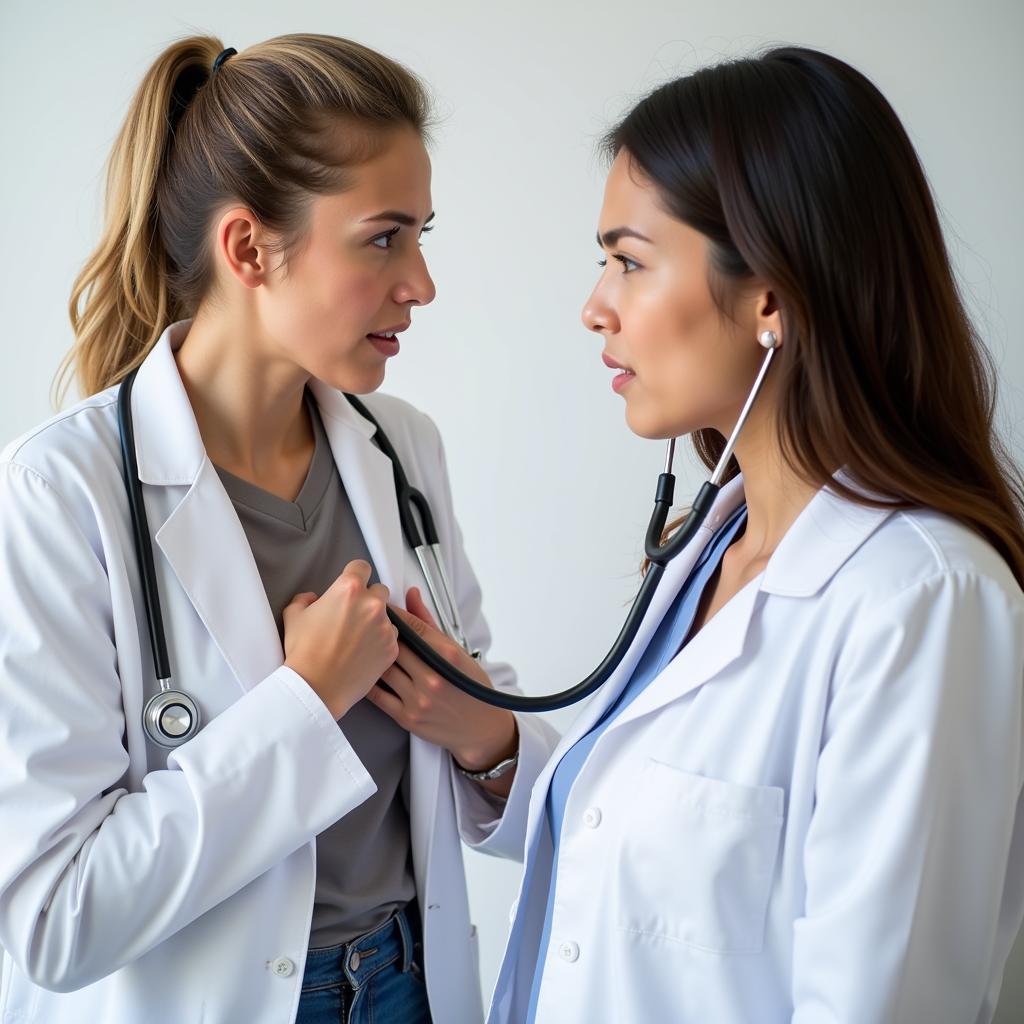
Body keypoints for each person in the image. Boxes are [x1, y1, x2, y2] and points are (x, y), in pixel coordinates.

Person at [0, 33, 557, 1024]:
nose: (421, 283)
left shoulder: (403, 451)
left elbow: (497, 777)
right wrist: (303, 701)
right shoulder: (61, 491)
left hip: (409, 983)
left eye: (422, 235)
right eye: (384, 237)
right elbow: (54, 917)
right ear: (250, 249)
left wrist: (485, 735)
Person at [474, 45, 1024, 1023]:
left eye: (628, 262)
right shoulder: (708, 547)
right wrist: (482, 740)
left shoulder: (921, 599)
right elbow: (656, 861)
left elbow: (882, 1001)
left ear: (769, 296)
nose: (594, 306)